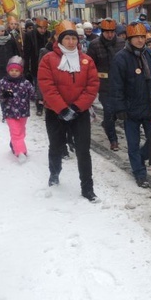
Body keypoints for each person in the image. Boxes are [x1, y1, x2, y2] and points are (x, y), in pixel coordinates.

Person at [38, 20, 100, 202]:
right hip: (55, 112)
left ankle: (87, 188)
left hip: (79, 112)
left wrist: (76, 107)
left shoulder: (86, 60)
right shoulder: (48, 59)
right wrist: (62, 109)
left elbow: (92, 85)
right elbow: (47, 86)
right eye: (68, 38)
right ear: (59, 40)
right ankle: (54, 173)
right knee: (56, 146)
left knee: (83, 150)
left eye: (74, 38)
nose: (71, 42)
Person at [110, 22, 151, 188]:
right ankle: (140, 173)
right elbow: (116, 86)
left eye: (142, 37)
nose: (140, 40)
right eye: (136, 37)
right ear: (129, 38)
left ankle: (140, 158)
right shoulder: (121, 58)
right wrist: (119, 108)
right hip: (130, 111)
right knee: (133, 144)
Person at [86, 18, 124, 151]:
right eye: (107, 31)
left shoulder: (121, 43)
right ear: (102, 32)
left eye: (112, 31)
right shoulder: (94, 45)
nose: (109, 34)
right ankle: (113, 140)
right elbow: (90, 66)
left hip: (120, 84)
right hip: (104, 85)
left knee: (115, 113)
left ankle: (107, 124)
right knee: (108, 111)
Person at [0, 56, 35, 163]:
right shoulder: (3, 82)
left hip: (23, 112)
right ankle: (20, 152)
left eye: (16, 70)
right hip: (10, 112)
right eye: (11, 70)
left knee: (21, 132)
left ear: (20, 71)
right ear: (8, 70)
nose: (14, 72)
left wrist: (40, 99)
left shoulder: (25, 83)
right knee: (16, 132)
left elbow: (32, 94)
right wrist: (5, 95)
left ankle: (15, 144)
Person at [23, 17, 52, 115]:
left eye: (45, 28)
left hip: (48, 64)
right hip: (36, 64)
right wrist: (26, 68)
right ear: (37, 27)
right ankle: (39, 106)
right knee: (38, 86)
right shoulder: (29, 35)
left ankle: (48, 104)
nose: (43, 30)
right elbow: (26, 53)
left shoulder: (49, 35)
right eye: (41, 28)